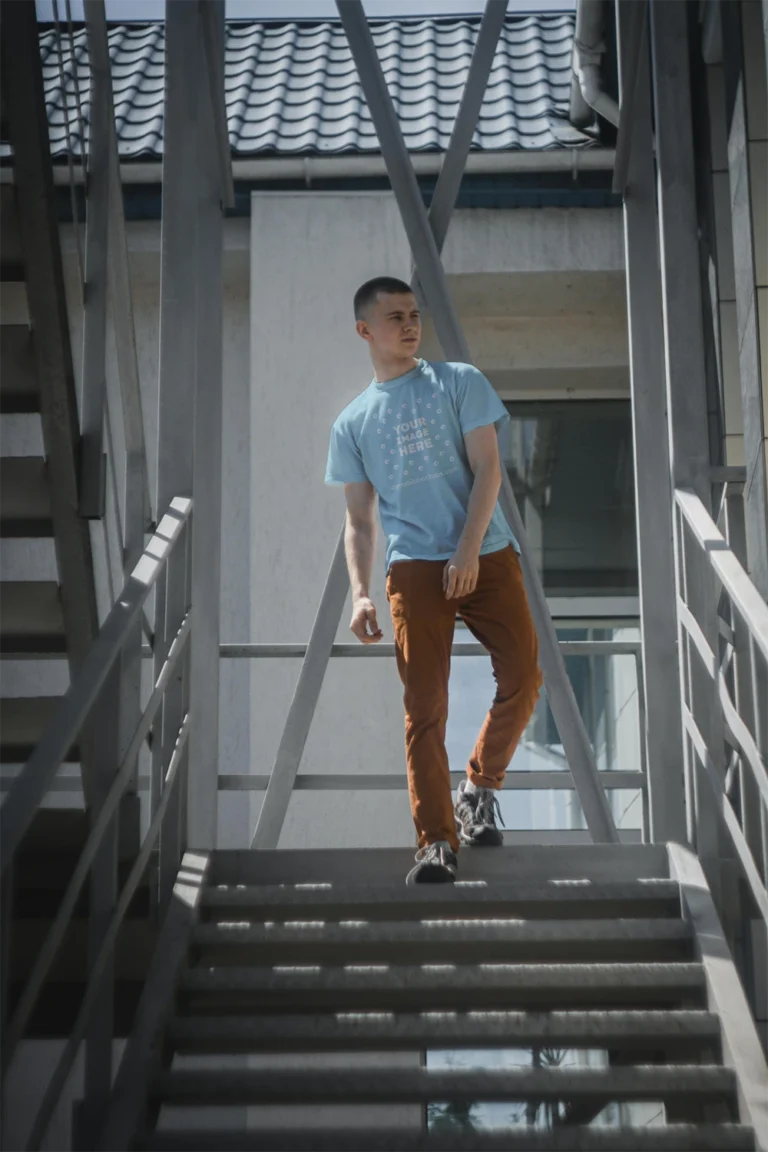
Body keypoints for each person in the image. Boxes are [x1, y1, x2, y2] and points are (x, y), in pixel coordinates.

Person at [325, 276, 542, 885]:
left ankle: (479, 785)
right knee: (425, 706)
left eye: (414, 313)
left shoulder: (459, 381)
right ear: (366, 330)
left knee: (524, 675)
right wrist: (361, 591)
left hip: (487, 551)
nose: (410, 324)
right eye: (395, 317)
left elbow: (489, 470)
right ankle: (436, 844)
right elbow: (360, 520)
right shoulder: (353, 422)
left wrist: (468, 551)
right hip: (414, 568)